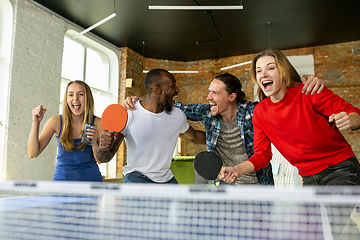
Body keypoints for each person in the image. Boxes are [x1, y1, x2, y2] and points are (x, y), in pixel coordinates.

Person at [124, 73, 325, 185]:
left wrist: (304, 83)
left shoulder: (254, 112)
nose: (208, 97)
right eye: (209, 91)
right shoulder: (207, 113)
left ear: (232, 97)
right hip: (226, 185)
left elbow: (281, 104)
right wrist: (138, 101)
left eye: (215, 93)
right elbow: (169, 105)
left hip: (258, 184)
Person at [219, 49, 360, 186]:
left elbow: (353, 113)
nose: (263, 74)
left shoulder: (309, 91)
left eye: (271, 68)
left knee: (333, 211)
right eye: (259, 71)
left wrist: (350, 120)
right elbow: (262, 155)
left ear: (283, 71)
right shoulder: (260, 112)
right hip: (308, 177)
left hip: (341, 168)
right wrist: (237, 170)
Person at [96, 69, 205, 184]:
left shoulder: (178, 116)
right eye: (173, 86)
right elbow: (104, 158)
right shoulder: (130, 113)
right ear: (157, 90)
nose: (177, 89)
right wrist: (102, 148)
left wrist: (220, 139)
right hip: (136, 177)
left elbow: (194, 136)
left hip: (166, 180)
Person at [28, 80, 104, 182]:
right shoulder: (55, 122)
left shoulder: (98, 123)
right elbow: (33, 153)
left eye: (81, 94)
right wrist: (35, 123)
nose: (75, 98)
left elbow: (100, 160)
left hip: (91, 184)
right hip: (62, 184)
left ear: (88, 98)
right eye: (71, 95)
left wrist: (94, 143)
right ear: (66, 99)